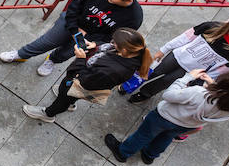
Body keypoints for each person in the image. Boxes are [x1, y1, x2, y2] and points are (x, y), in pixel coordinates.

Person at [106, 69, 229, 164]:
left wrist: (187, 77)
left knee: (143, 135)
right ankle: (149, 155)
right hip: (187, 125)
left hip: (164, 117)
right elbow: (221, 98)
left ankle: (123, 152)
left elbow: (169, 95)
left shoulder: (199, 93)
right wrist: (211, 84)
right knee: (166, 138)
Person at [0, 0, 144, 76]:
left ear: (128, 0)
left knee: (67, 53)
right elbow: (74, 6)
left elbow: (118, 38)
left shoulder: (134, 17)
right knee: (46, 42)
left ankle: (52, 60)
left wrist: (94, 43)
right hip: (71, 23)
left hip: (89, 39)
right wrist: (75, 29)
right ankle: (21, 54)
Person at [21, 28, 151, 123]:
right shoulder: (134, 53)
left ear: (123, 49)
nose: (111, 43)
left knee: (63, 98)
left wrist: (80, 58)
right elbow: (106, 48)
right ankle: (71, 102)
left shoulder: (113, 70)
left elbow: (85, 81)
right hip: (88, 82)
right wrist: (95, 45)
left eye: (114, 42)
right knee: (68, 96)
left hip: (82, 83)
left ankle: (48, 114)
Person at [130, 12, 229, 102]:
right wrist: (164, 50)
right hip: (177, 56)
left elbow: (223, 70)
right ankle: (130, 84)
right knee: (154, 70)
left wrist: (202, 77)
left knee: (165, 82)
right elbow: (185, 37)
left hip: (191, 71)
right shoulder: (212, 27)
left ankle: (145, 93)